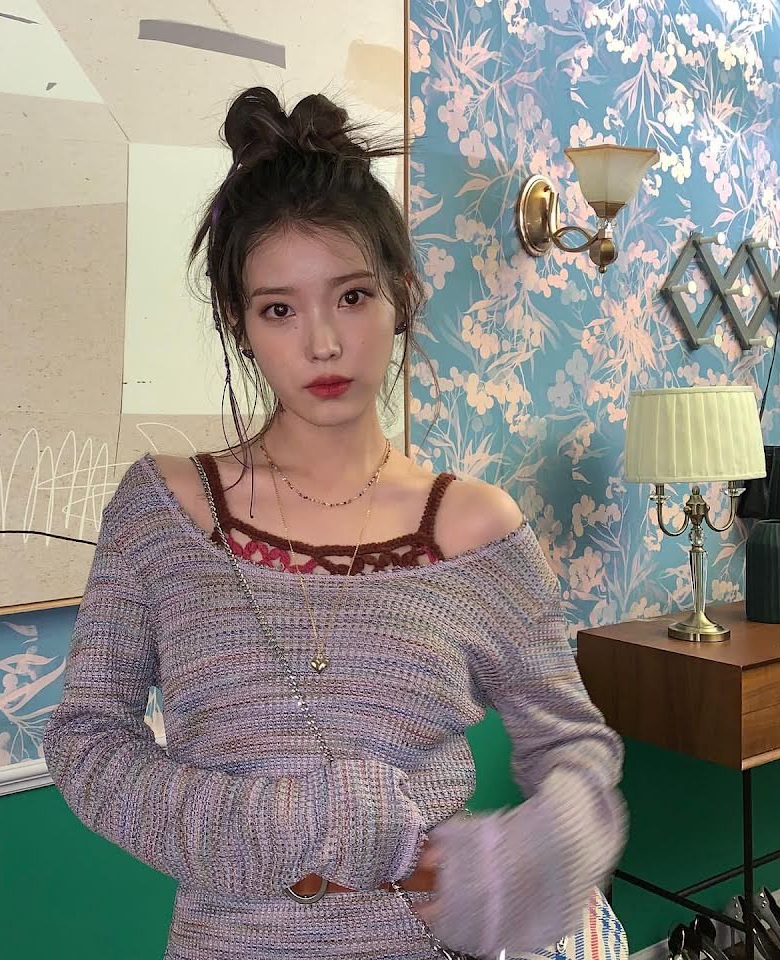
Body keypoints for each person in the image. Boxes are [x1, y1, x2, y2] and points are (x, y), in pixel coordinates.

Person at [42, 86, 628, 960]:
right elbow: (88, 741)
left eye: (351, 297)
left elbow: (575, 746)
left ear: (401, 294)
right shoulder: (162, 511)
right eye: (279, 309)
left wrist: (519, 862)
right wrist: (291, 823)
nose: (321, 343)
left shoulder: (477, 528)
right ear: (239, 324)